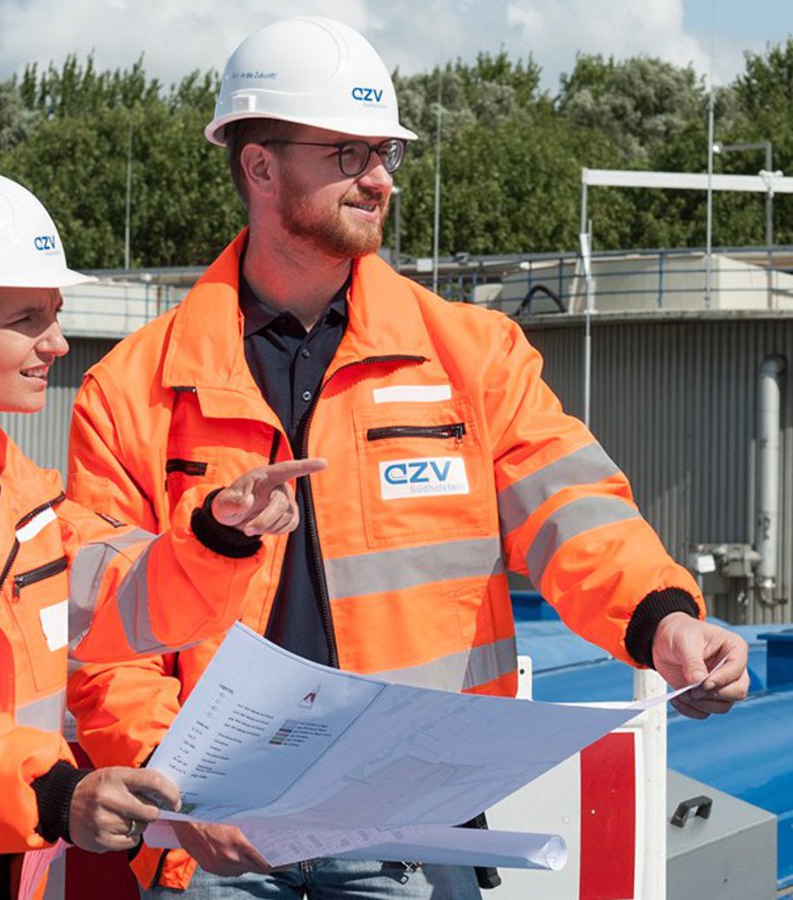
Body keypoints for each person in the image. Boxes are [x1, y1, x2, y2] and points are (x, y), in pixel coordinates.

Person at [66, 15, 750, 900]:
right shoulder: (133, 389)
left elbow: (574, 517)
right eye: (348, 153)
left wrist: (666, 623)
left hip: (408, 834)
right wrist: (171, 786)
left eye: (384, 150)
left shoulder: (472, 355)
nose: (381, 176)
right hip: (217, 841)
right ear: (260, 165)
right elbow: (106, 638)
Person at [0, 167, 320, 900]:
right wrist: (54, 792)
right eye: (28, 319)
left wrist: (220, 534)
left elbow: (126, 604)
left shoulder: (14, 497)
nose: (58, 343)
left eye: (54, 314)